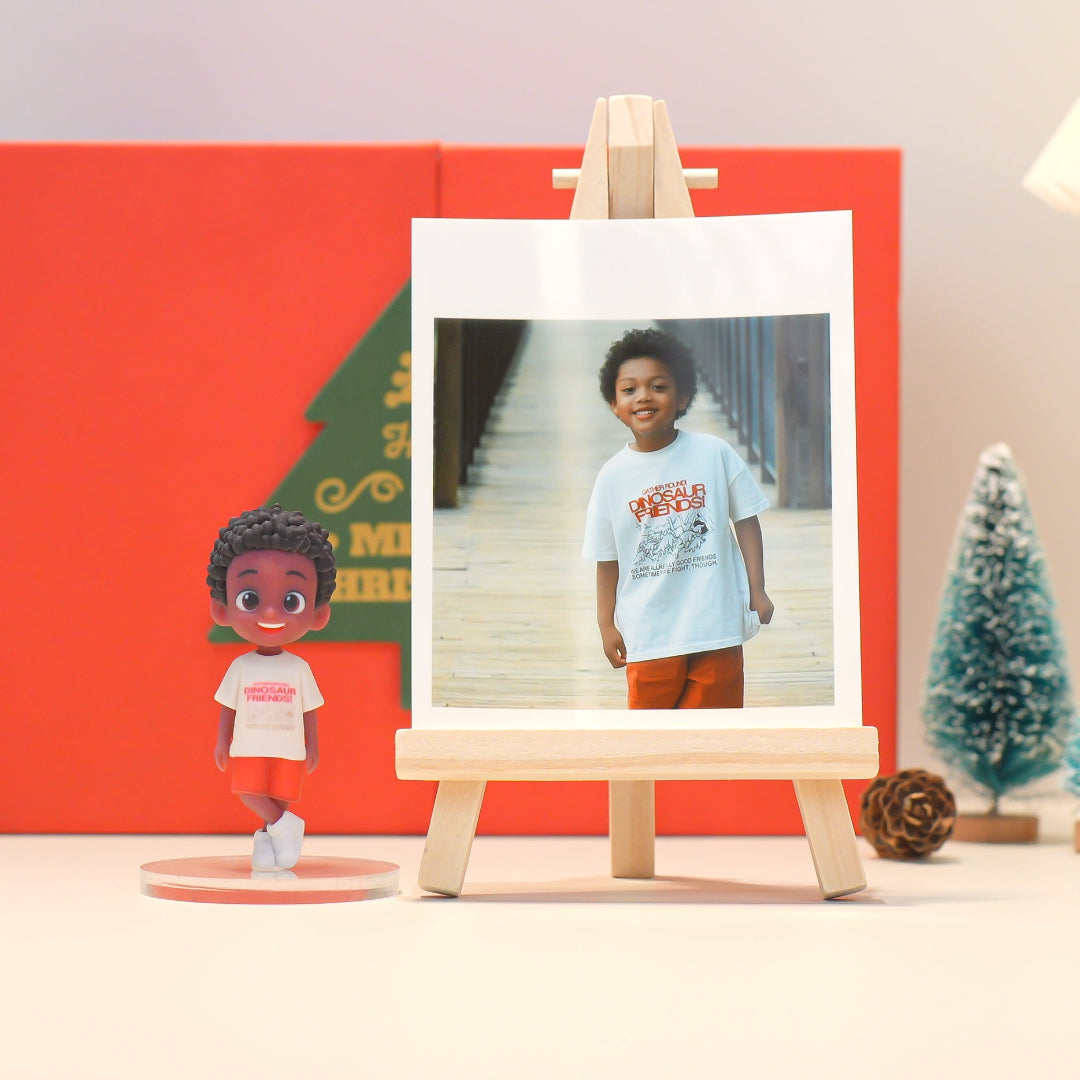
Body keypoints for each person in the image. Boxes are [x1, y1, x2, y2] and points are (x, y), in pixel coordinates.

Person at [582, 327, 774, 709]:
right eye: (629, 389)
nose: (643, 396)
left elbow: (747, 521)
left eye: (658, 386)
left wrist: (758, 589)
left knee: (714, 733)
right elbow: (607, 559)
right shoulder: (612, 477)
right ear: (614, 404)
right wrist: (606, 624)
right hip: (650, 634)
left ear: (683, 396)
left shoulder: (713, 453)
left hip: (715, 627)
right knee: (652, 737)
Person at [207, 504, 336, 868]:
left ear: (318, 614)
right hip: (249, 744)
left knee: (280, 793)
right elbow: (228, 707)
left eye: (291, 601)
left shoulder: (298, 668)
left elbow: (309, 710)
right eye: (250, 599)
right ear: (222, 609)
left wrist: (313, 745)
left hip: (288, 746)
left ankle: (267, 844)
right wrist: (222, 742)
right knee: (248, 790)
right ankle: (284, 825)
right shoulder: (241, 667)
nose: (269, 615)